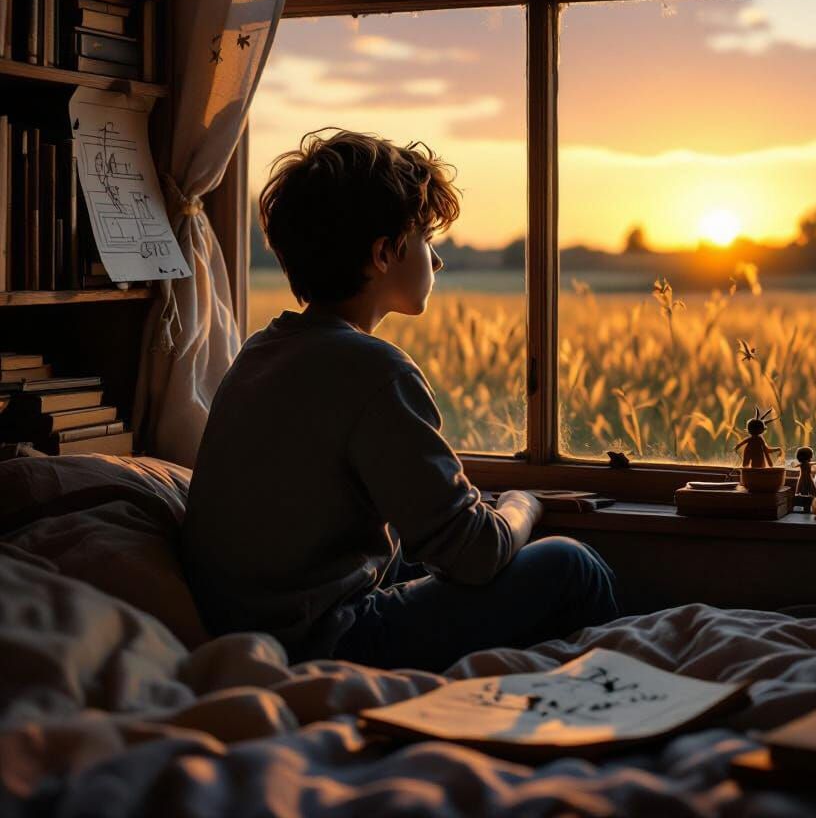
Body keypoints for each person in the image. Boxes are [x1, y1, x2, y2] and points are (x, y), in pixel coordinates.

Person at [181, 128, 618, 672]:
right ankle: (618, 696)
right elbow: (476, 554)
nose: (437, 262)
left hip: (254, 627)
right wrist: (522, 503)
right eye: (427, 240)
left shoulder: (259, 351)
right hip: (329, 638)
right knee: (571, 566)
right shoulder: (374, 370)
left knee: (416, 563)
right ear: (384, 253)